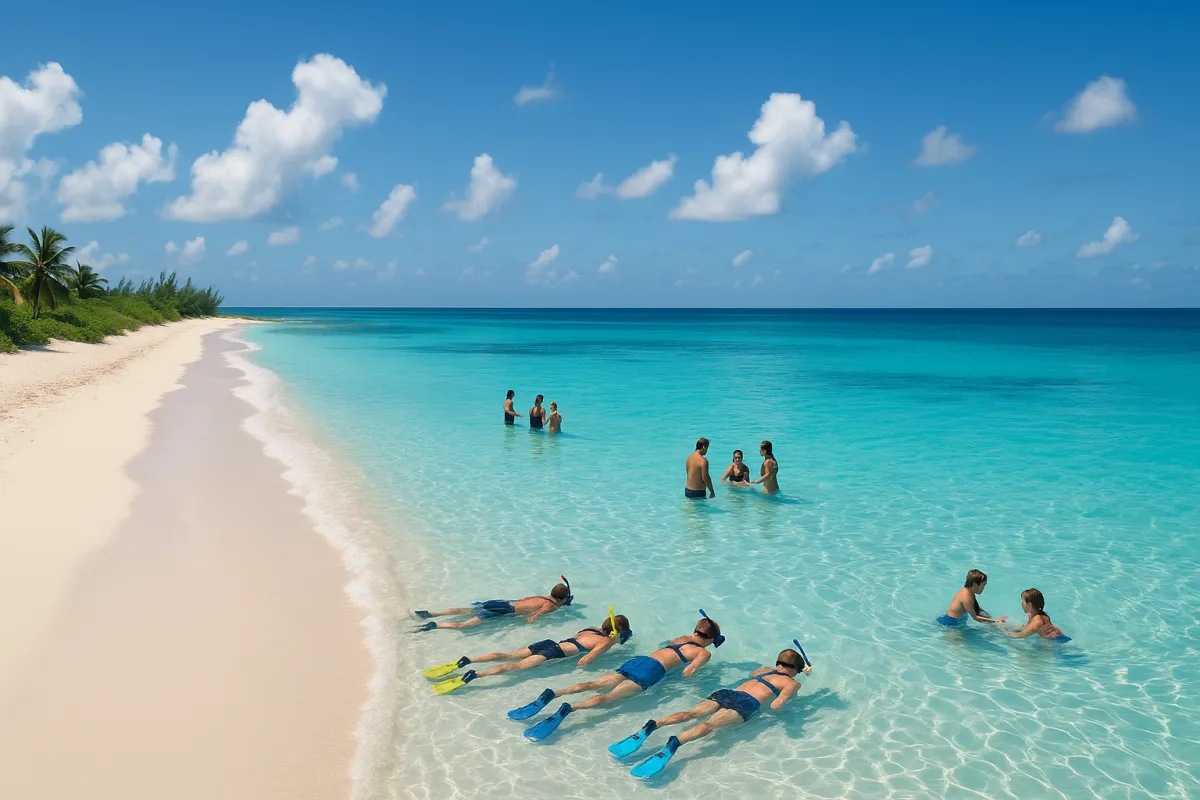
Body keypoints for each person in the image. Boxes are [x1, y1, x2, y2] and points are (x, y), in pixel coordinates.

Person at [510, 613, 725, 741]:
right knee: (608, 699)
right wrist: (693, 672)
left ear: (696, 630)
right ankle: (570, 708)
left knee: (594, 684)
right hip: (651, 671)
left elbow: (664, 647)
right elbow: (691, 670)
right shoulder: (703, 652)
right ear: (712, 639)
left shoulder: (681, 637)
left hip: (641, 660)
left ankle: (555, 692)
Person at [611, 646, 811, 777]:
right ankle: (675, 743)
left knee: (691, 713)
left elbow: (754, 679)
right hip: (746, 703)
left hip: (729, 693)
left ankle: (655, 724)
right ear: (795, 669)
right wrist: (784, 699)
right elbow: (780, 701)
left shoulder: (762, 670)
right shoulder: (792, 683)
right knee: (709, 725)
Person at [426, 615, 633, 694]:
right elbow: (587, 659)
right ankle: (475, 675)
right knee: (515, 667)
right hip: (554, 652)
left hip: (551, 643)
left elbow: (582, 641)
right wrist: (612, 643)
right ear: (617, 631)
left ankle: (467, 660)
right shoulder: (604, 641)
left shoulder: (589, 629)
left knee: (508, 656)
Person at [413, 582, 571, 631]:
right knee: (464, 625)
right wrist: (533, 618)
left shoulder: (541, 597)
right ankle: (435, 626)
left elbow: (525, 599)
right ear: (563, 599)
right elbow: (542, 611)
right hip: (505, 610)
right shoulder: (551, 605)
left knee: (465, 611)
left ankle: (431, 613)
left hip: (504, 603)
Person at [939, 569, 1007, 627]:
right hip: (951, 623)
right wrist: (996, 621)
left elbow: (977, 609)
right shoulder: (966, 597)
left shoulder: (969, 591)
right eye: (983, 585)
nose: (983, 588)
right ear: (975, 584)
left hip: (961, 618)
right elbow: (975, 618)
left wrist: (993, 619)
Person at [1004, 588, 1070, 641]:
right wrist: (1010, 626)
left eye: (1022, 601)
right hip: (1061, 638)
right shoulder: (1040, 615)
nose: (1021, 604)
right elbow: (1028, 628)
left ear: (1029, 604)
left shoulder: (1037, 622)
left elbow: (1018, 636)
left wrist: (1002, 627)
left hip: (1055, 642)